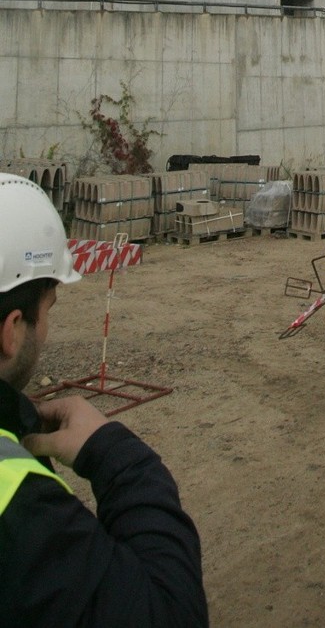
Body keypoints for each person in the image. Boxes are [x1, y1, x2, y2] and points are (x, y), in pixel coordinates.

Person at [0, 173, 208, 627]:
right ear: (11, 329)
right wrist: (118, 457)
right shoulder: (17, 502)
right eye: (48, 309)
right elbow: (168, 614)